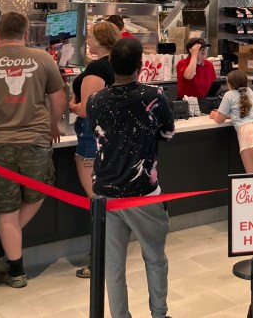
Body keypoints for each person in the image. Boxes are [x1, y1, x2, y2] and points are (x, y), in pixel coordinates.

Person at [0, 11, 66, 288]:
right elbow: (59, 100)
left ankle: (15, 271)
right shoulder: (44, 59)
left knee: (6, 212)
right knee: (41, 190)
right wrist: (53, 125)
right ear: (27, 32)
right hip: (36, 142)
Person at [87, 37, 175, 318]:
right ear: (140, 65)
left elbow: (97, 134)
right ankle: (158, 314)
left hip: (105, 194)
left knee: (112, 266)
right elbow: (168, 132)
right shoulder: (154, 95)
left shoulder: (95, 100)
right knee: (155, 259)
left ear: (111, 63)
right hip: (144, 193)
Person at [67, 20, 120, 279]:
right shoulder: (118, 65)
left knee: (96, 201)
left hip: (90, 138)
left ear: (100, 40)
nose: (87, 40)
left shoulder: (97, 68)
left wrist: (71, 104)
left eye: (89, 36)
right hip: (112, 138)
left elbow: (88, 108)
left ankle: (99, 259)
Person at [210, 69, 253, 172]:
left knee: (252, 176)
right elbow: (245, 112)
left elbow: (219, 119)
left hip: (248, 134)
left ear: (230, 84)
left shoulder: (229, 95)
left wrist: (214, 115)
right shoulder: (250, 92)